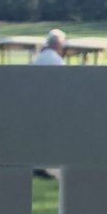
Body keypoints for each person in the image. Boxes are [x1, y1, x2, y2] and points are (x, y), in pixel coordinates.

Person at [30, 29, 65, 178]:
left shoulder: (38, 58)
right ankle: (40, 166)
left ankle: (37, 164)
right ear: (58, 44)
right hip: (50, 103)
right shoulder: (56, 60)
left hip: (36, 101)